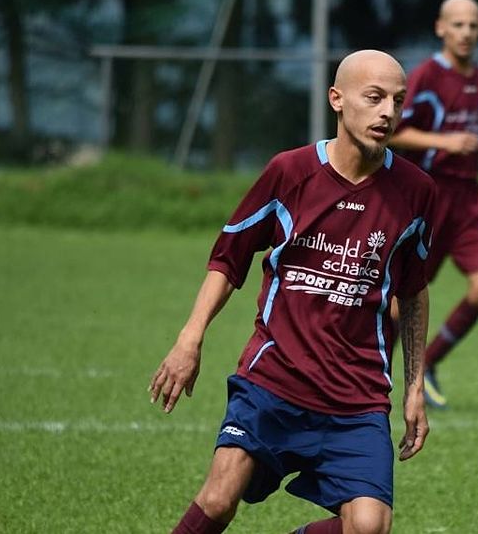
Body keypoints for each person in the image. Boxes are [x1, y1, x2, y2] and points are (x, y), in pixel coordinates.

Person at [148, 49, 436, 534]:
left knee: (369, 527)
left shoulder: (416, 191)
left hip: (357, 396)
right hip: (273, 380)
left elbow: (413, 291)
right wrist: (189, 338)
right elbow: (228, 259)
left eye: (397, 100)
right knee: (218, 499)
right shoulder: (290, 172)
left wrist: (414, 388)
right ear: (337, 99)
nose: (387, 111)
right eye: (374, 97)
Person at [389, 0, 478, 409]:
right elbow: (394, 132)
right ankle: (368, 376)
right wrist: (446, 143)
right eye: (458, 24)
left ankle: (429, 363)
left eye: (473, 25)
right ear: (441, 28)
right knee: (400, 304)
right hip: (431, 199)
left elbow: (460, 131)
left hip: (468, 201)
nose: (466, 32)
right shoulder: (426, 75)